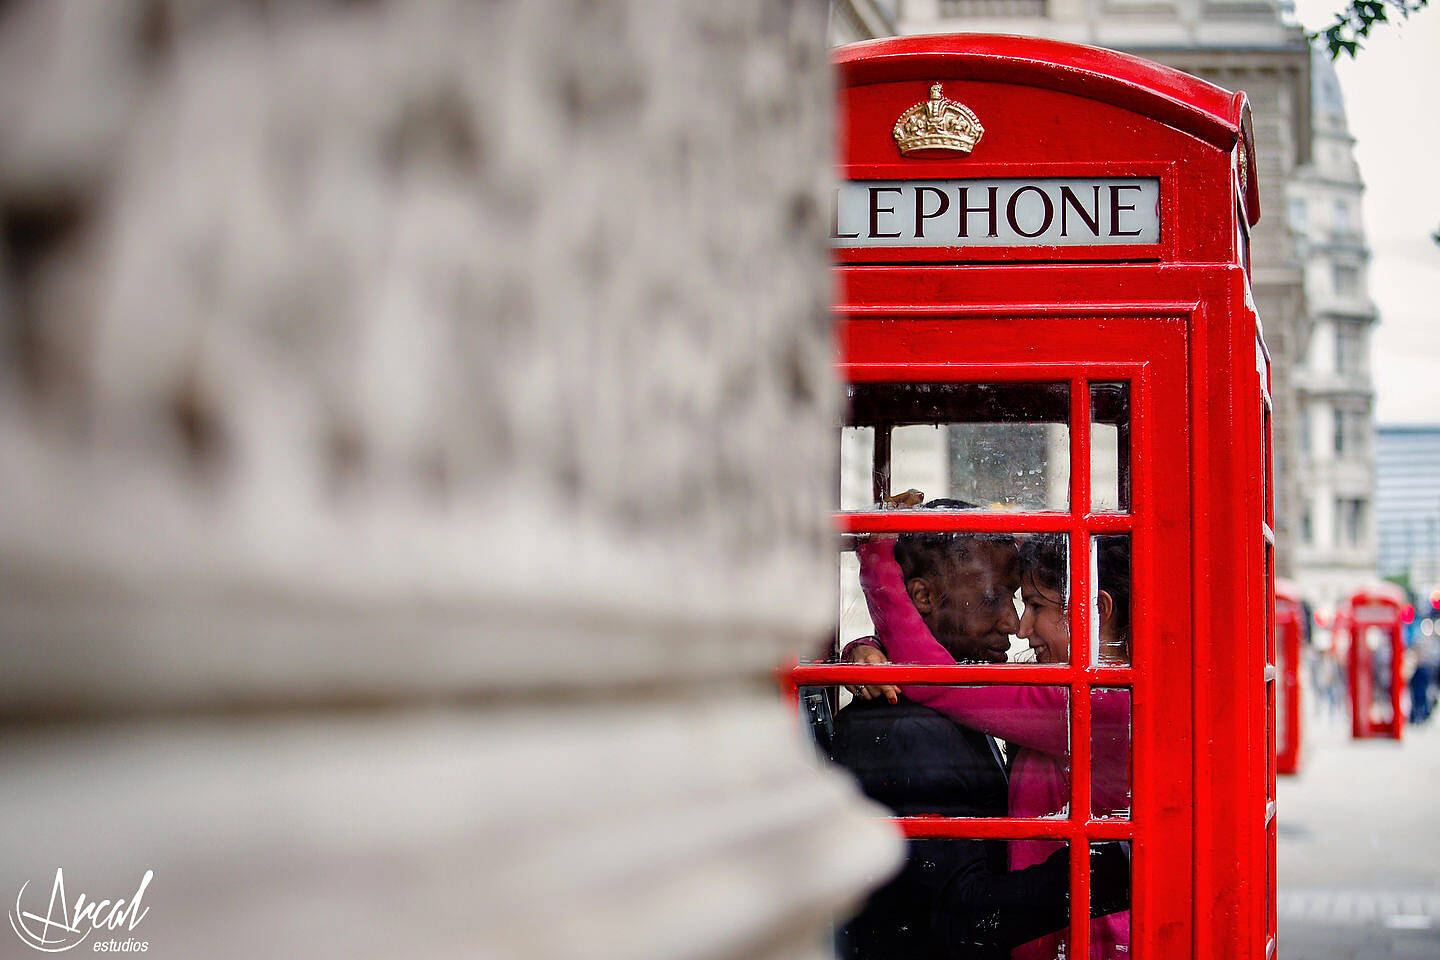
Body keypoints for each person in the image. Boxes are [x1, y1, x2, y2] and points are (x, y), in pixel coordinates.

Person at [826, 497, 1127, 959]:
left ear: (1096, 609)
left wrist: (876, 553)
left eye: (1032, 604)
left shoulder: (1095, 701)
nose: (1018, 626)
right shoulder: (1059, 690)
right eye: (997, 598)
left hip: (1095, 940)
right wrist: (867, 648)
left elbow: (939, 681)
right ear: (924, 597)